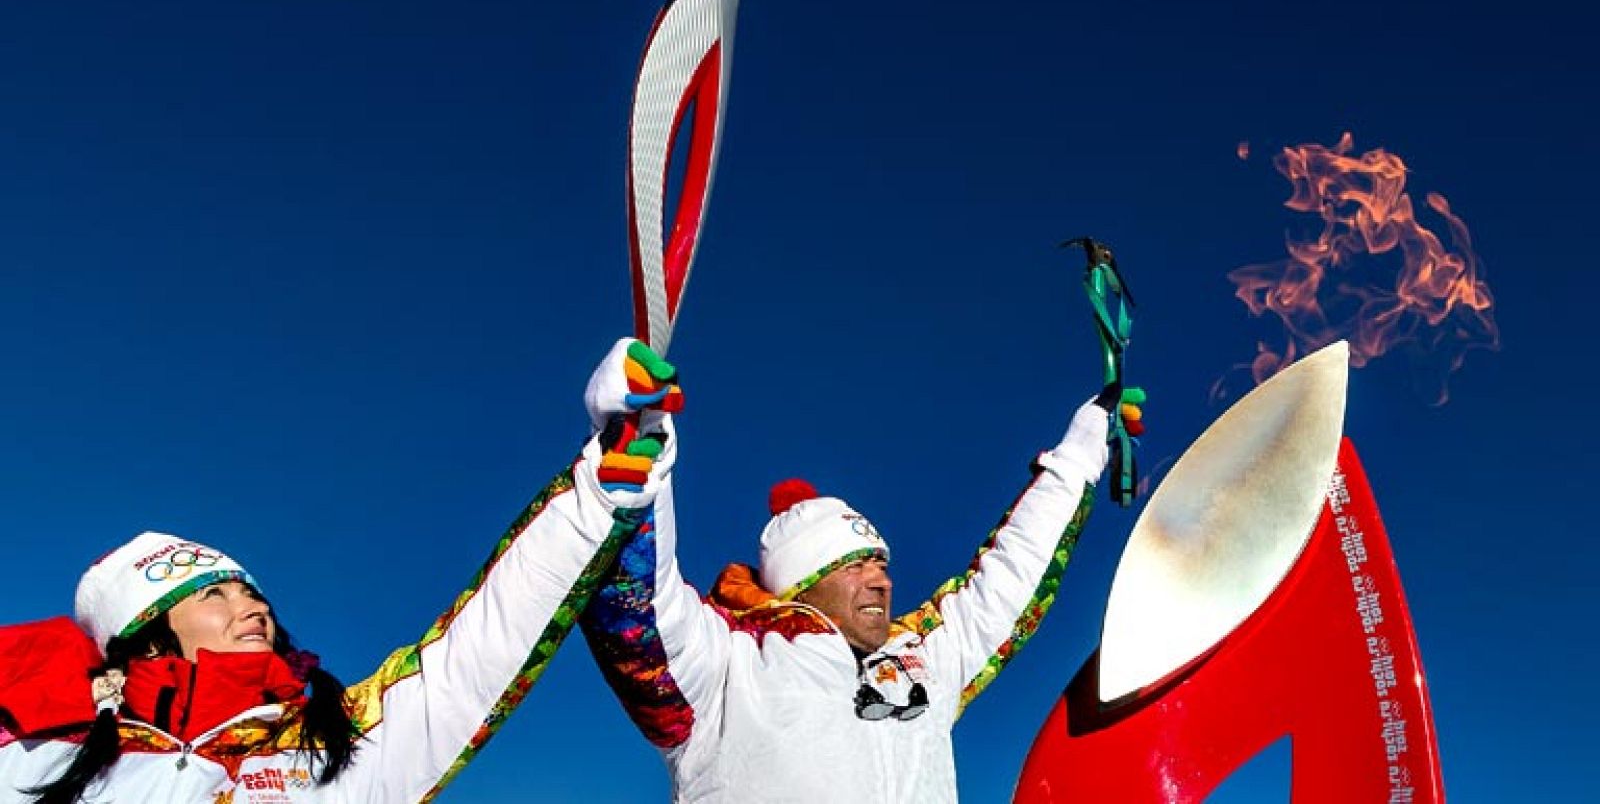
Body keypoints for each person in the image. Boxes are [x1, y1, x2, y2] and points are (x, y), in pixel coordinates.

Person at [0, 338, 680, 803]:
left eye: (251, 591)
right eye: (213, 593)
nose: (252, 607)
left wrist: (597, 489)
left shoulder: (334, 745)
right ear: (147, 634)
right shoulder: (36, 754)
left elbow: (471, 655)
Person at [579, 352, 1139, 802]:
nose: (882, 582)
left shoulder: (923, 665)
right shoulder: (725, 666)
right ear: (800, 584)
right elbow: (639, 607)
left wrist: (1077, 456)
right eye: (855, 565)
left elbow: (1009, 580)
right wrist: (636, 459)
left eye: (883, 565)